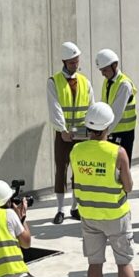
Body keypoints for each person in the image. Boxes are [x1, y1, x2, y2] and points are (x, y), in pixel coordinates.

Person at [71, 103, 139, 277]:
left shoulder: (76, 151)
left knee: (94, 264)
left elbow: (76, 180)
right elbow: (128, 186)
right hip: (116, 215)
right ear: (108, 126)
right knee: (124, 263)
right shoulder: (117, 152)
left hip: (89, 214)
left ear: (88, 127)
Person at [47, 41, 92, 224]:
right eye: (72, 62)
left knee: (79, 170)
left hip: (81, 130)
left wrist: (91, 128)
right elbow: (54, 107)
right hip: (64, 131)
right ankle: (60, 209)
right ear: (64, 62)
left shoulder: (84, 81)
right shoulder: (54, 82)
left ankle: (75, 207)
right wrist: (62, 129)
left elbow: (91, 105)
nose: (75, 65)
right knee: (61, 169)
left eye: (77, 61)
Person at [95, 48, 138, 162]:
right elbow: (103, 105)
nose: (103, 74)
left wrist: (102, 134)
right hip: (110, 131)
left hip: (123, 134)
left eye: (105, 70)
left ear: (114, 65)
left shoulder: (124, 85)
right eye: (101, 71)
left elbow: (116, 113)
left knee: (121, 169)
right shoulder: (107, 81)